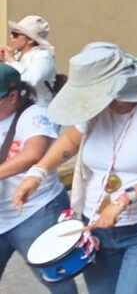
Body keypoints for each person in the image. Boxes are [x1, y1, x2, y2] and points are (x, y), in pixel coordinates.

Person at [16, 43, 137, 293]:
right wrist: (38, 172)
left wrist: (126, 199)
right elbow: (70, 140)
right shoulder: (94, 111)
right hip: (95, 226)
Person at [0, 64, 73, 293]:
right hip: (2, 215)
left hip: (35, 211)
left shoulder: (35, 114)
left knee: (56, 278)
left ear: (13, 96)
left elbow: (33, 154)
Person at [1, 16, 57, 105]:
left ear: (30, 39)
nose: (11, 36)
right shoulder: (17, 55)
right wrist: (3, 62)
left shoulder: (43, 56)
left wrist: (12, 61)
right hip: (19, 109)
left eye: (15, 34)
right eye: (11, 33)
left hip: (38, 110)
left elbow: (32, 80)